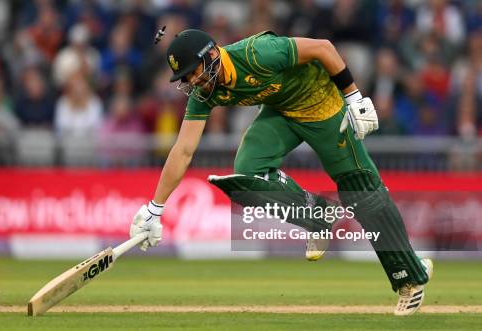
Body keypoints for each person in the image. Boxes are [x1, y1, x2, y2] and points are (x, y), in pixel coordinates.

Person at [129, 29, 433, 316]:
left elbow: (323, 48)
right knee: (246, 179)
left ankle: (409, 276)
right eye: (187, 77)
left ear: (211, 55)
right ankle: (319, 216)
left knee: (360, 187)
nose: (194, 81)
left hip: (323, 107)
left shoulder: (258, 53)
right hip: (281, 113)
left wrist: (354, 97)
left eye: (195, 70)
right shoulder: (205, 93)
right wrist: (155, 208)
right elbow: (183, 150)